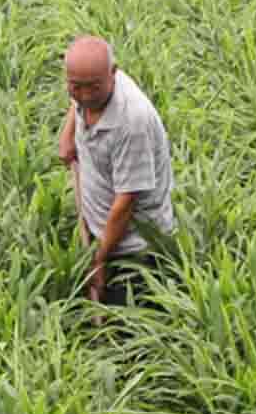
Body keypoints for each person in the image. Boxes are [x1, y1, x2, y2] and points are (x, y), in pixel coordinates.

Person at [55, 38, 174, 309]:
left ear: (113, 73)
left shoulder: (132, 122)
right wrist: (68, 134)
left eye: (92, 87)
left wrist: (99, 259)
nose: (83, 95)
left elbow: (126, 204)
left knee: (129, 324)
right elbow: (78, 102)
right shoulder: (89, 82)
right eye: (75, 86)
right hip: (103, 226)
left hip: (135, 245)